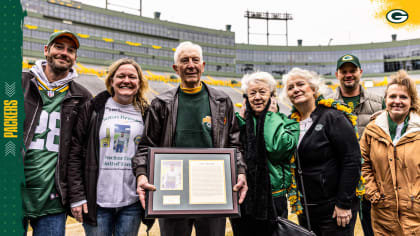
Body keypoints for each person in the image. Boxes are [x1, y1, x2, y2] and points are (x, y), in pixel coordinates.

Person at [132, 41, 248, 236]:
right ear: (176, 68)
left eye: (195, 60)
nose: (191, 65)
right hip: (171, 193)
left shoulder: (222, 101)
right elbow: (146, 146)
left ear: (203, 66)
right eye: (184, 60)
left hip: (213, 192)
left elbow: (234, 143)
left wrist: (241, 170)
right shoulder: (161, 103)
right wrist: (142, 173)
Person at [67, 58, 153, 236]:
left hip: (132, 202)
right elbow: (74, 154)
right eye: (121, 76)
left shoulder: (147, 113)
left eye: (132, 77)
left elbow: (150, 151)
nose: (126, 80)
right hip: (97, 202)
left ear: (139, 82)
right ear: (111, 80)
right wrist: (77, 196)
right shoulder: (93, 109)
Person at [22, 30, 92, 236]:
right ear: (46, 50)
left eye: (71, 50)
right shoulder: (17, 83)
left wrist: (77, 195)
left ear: (75, 58)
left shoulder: (82, 97)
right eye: (59, 47)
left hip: (52, 200)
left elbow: (79, 152)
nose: (64, 53)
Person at [282, 67, 361, 236]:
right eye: (290, 87)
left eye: (300, 84)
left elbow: (352, 160)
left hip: (334, 207)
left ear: (313, 88)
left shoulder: (333, 116)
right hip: (307, 208)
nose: (296, 89)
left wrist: (343, 203)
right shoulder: (290, 123)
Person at [230, 71, 300, 236]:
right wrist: (241, 119)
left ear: (273, 96)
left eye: (262, 92)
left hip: (273, 198)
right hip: (242, 197)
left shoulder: (288, 123)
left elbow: (275, 150)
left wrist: (269, 115)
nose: (257, 97)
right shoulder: (237, 122)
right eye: (252, 93)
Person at [327, 54, 383, 236]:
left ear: (361, 72)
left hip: (373, 178)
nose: (348, 75)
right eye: (344, 71)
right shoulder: (328, 104)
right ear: (337, 74)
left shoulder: (378, 102)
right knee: (342, 231)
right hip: (341, 180)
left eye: (352, 71)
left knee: (375, 230)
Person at [360, 70, 420, 235]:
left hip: (415, 214)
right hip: (383, 212)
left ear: (411, 101)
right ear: (385, 99)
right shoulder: (372, 130)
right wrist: (372, 193)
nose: (397, 101)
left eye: (403, 97)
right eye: (392, 96)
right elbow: (362, 162)